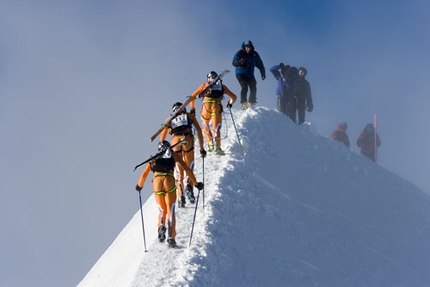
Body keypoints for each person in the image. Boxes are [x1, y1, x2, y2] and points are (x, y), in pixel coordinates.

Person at [135, 140, 204, 248]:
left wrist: (139, 186)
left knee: (161, 209)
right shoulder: (174, 155)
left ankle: (161, 225)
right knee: (170, 209)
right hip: (169, 180)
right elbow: (186, 169)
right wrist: (195, 183)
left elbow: (144, 175)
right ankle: (171, 237)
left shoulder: (153, 158)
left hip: (157, 182)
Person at [160, 102, 206, 208]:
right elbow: (199, 130)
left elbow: (162, 138)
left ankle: (181, 197)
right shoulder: (189, 116)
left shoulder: (170, 119)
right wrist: (202, 148)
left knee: (178, 170)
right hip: (187, 139)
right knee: (189, 166)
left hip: (175, 140)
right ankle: (189, 185)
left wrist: (163, 152)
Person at [190, 71, 237, 155]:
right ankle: (218, 147)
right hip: (217, 106)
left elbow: (192, 97)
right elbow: (234, 97)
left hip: (205, 106)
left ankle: (210, 143)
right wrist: (230, 103)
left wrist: (192, 108)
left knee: (205, 125)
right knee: (216, 128)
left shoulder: (204, 85)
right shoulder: (222, 87)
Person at [232, 40, 266, 110]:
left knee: (253, 87)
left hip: (250, 75)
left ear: (252, 47)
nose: (248, 49)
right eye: (247, 47)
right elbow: (233, 63)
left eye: (250, 47)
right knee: (244, 87)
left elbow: (260, 64)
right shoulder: (240, 53)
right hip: (240, 74)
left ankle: (251, 103)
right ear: (244, 47)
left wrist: (262, 72)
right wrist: (240, 62)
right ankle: (244, 103)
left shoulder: (254, 55)